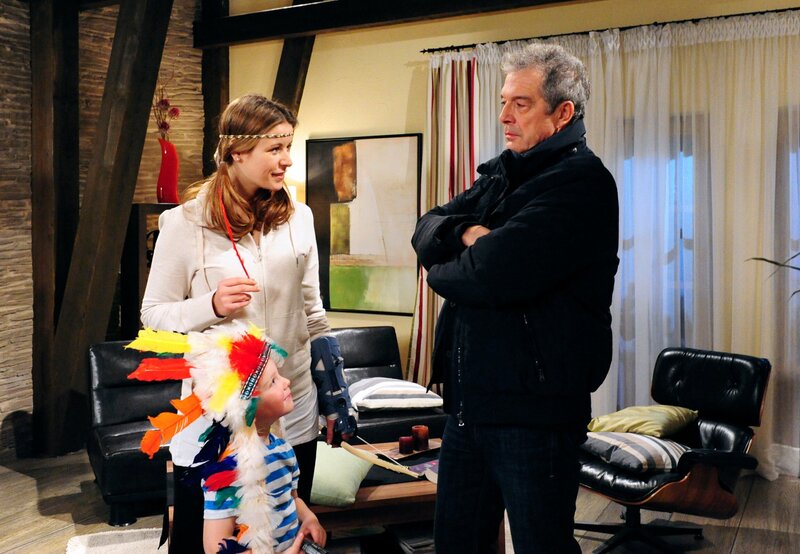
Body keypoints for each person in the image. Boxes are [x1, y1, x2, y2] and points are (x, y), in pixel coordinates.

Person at [411, 43, 619, 553]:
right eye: (503, 102)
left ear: (562, 113)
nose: (504, 116)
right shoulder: (503, 174)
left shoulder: (582, 184)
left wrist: (449, 261)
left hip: (536, 415)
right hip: (468, 408)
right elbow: (425, 228)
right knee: (456, 545)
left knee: (541, 545)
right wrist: (467, 233)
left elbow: (484, 275)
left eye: (520, 104)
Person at [141, 94, 331, 553]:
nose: (287, 159)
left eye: (288, 146)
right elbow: (153, 317)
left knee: (286, 532)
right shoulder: (183, 224)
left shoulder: (300, 218)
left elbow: (313, 312)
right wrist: (210, 304)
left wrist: (332, 391)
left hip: (290, 406)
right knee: (207, 542)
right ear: (236, 152)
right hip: (216, 418)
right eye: (275, 148)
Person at [202, 357, 326, 554]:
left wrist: (310, 518)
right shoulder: (227, 468)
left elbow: (292, 498)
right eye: (273, 381)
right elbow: (214, 546)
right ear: (245, 406)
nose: (286, 381)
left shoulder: (283, 449)